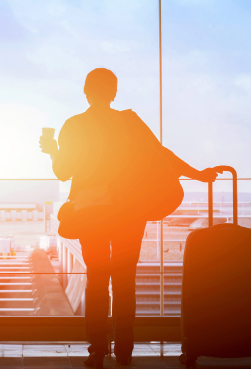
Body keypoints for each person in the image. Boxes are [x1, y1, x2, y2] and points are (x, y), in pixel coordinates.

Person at [39, 68, 217, 368]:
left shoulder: (75, 125)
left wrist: (52, 150)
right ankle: (124, 350)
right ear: (114, 93)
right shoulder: (129, 122)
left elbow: (63, 172)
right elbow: (162, 154)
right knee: (124, 282)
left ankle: (97, 350)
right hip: (128, 213)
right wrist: (197, 175)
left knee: (97, 281)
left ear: (86, 91)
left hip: (91, 212)